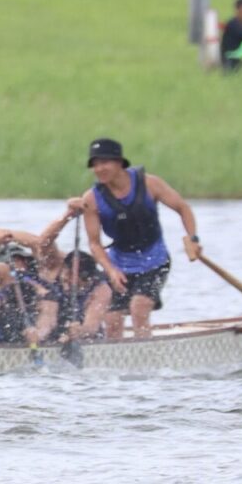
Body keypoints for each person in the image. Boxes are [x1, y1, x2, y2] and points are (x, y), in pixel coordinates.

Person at [79, 138, 201, 340]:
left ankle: (145, 353)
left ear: (119, 162)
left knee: (139, 307)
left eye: (104, 163)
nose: (99, 169)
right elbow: (94, 244)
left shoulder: (149, 184)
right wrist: (111, 270)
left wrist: (193, 238)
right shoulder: (91, 199)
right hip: (119, 264)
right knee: (112, 319)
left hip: (155, 261)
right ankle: (115, 356)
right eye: (95, 164)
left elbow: (183, 208)